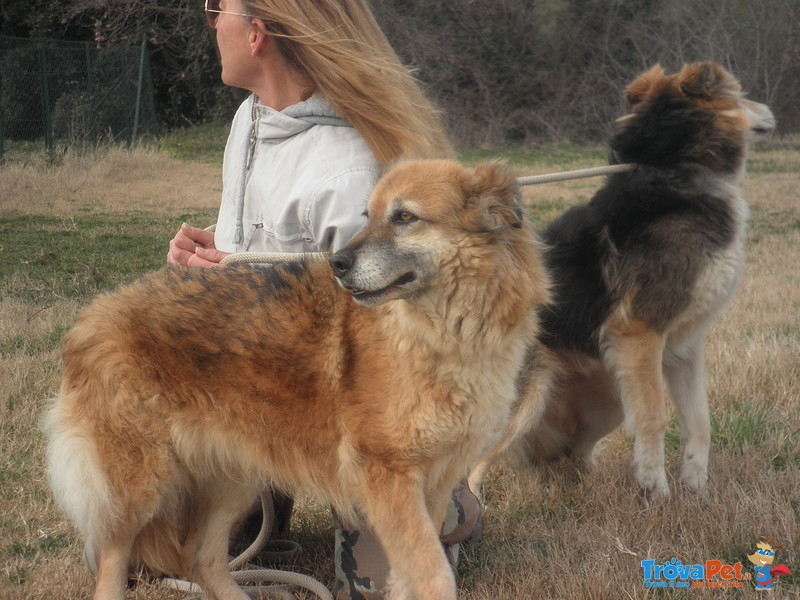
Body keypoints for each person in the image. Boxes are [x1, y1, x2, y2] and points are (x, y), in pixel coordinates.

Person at [165, 1, 481, 597]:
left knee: (378, 581)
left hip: (353, 402)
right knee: (155, 545)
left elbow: (378, 330)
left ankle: (453, 503)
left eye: (218, 9)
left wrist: (243, 279)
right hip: (260, 380)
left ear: (256, 34)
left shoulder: (347, 170)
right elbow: (253, 247)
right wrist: (213, 259)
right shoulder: (249, 120)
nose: (211, 22)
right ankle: (269, 498)